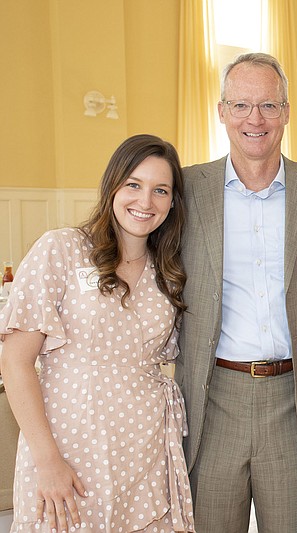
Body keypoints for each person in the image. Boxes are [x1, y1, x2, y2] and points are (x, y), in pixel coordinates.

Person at [175, 52, 297, 532]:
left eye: (269, 106)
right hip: (213, 399)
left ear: (287, 112)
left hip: (294, 400)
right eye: (240, 105)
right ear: (221, 111)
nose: (254, 119)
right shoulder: (184, 191)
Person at [0, 134, 193, 532]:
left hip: (145, 451)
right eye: (134, 185)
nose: (146, 202)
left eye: (161, 190)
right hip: (69, 447)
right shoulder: (62, 249)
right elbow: (15, 361)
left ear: (172, 202)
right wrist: (47, 459)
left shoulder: (169, 272)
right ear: (112, 187)